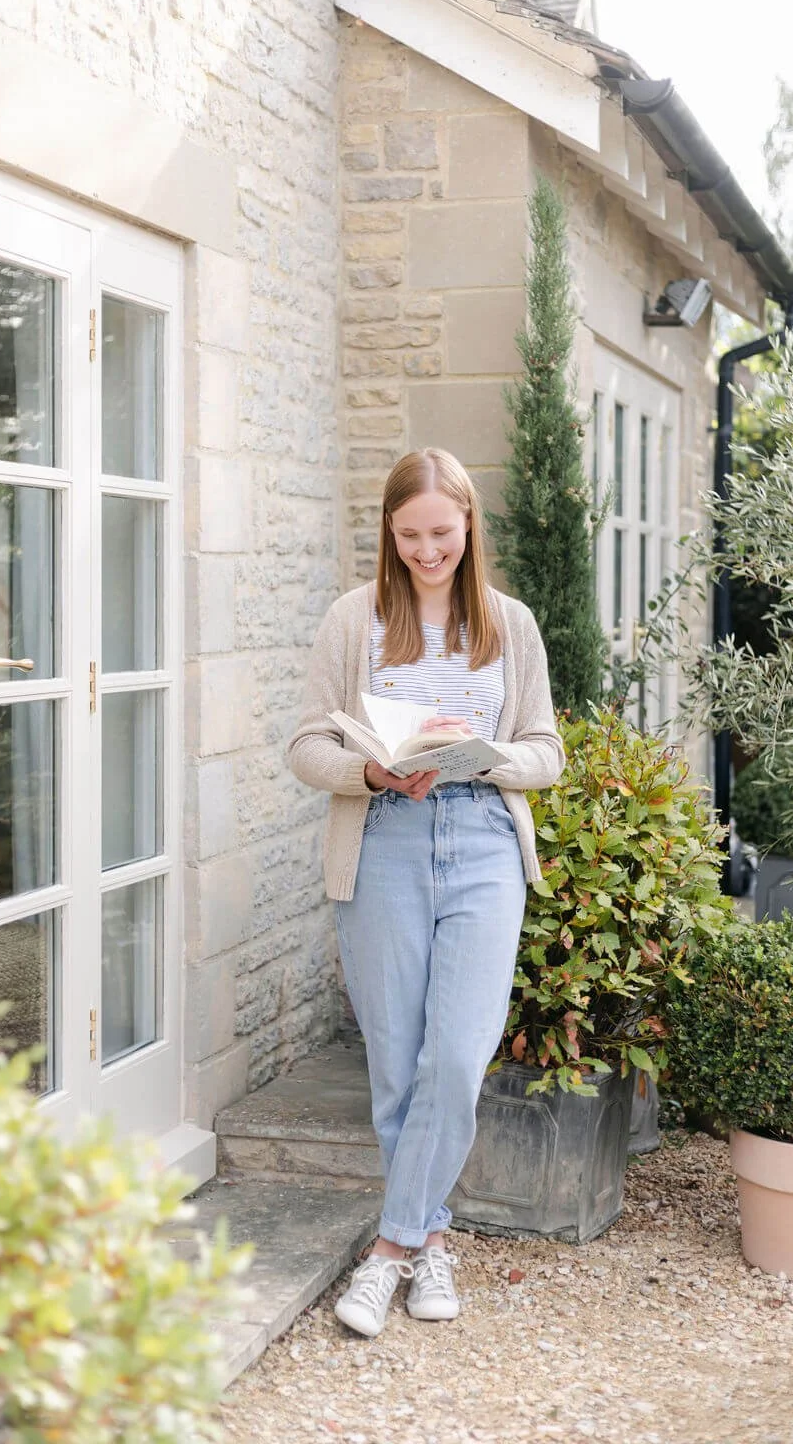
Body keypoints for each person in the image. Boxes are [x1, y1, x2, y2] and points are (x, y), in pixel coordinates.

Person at [287, 448, 563, 1338]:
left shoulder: (508, 624)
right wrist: (371, 770)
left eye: (441, 533)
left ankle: (390, 1250)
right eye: (409, 535)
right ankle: (432, 1238)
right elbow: (303, 748)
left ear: (470, 524)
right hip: (384, 844)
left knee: (456, 1057)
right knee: (397, 1061)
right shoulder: (353, 620)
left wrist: (493, 759)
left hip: (482, 840)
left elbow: (546, 750)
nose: (426, 550)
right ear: (390, 533)